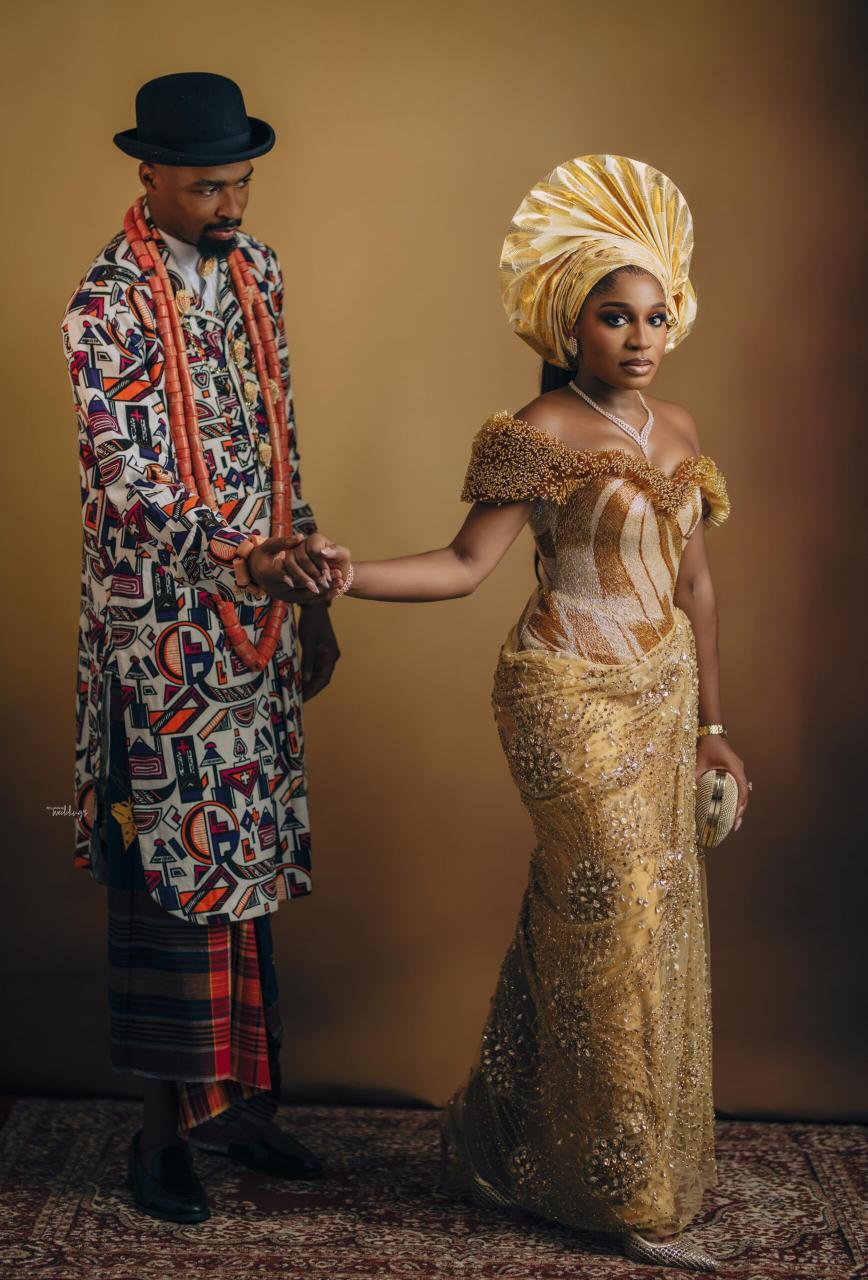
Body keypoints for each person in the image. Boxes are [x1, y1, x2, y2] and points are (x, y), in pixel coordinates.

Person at [285, 155, 751, 1271]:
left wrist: (712, 729)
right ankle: (622, 1190)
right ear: (569, 323)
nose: (639, 337)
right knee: (614, 907)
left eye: (654, 316)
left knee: (630, 912)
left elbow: (695, 587)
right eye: (613, 316)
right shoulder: (538, 429)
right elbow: (461, 567)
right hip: (563, 695)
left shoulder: (680, 427)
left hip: (663, 699)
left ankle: (511, 1142)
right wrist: (343, 575)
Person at [62, 72, 341, 1223]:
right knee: (173, 880)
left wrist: (306, 588)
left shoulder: (257, 272)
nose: (228, 204)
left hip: (255, 624)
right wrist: (239, 558)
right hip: (159, 637)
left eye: (239, 182)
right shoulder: (105, 306)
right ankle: (157, 1139)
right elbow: (126, 481)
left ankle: (237, 1108)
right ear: (150, 175)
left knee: (247, 862)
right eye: (205, 186)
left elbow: (279, 435)